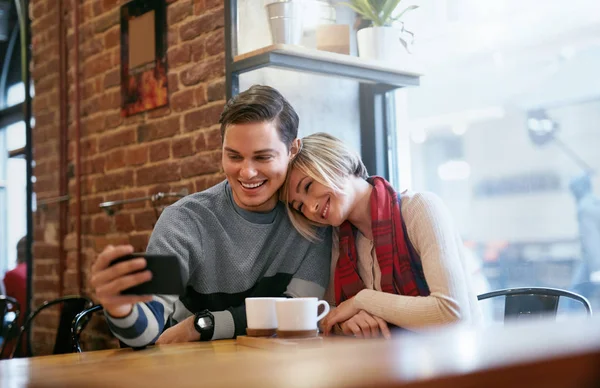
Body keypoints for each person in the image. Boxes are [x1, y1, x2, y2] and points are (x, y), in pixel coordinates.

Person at [89, 85, 331, 347]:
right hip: (190, 374)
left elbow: (298, 313)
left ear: (292, 150)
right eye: (234, 156)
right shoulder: (184, 221)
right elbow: (146, 330)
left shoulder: (312, 220)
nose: (247, 173)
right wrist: (122, 310)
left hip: (277, 375)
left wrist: (205, 324)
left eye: (263, 157)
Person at [281, 133, 481, 338]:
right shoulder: (338, 241)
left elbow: (452, 314)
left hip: (460, 362)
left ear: (335, 162)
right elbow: (329, 315)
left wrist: (362, 300)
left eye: (308, 186)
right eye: (299, 206)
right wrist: (348, 323)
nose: (311, 208)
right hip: (390, 364)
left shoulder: (420, 208)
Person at [569, 173, 600, 298]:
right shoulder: (595, 202)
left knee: (573, 293)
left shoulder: (584, 207)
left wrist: (596, 269)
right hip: (593, 260)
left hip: (593, 260)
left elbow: (591, 241)